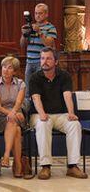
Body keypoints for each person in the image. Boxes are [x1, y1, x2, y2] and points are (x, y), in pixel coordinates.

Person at [29, 47, 87, 180]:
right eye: (42, 58)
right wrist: (42, 114)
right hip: (39, 114)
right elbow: (35, 98)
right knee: (44, 124)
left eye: (48, 58)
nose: (44, 61)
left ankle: (72, 166)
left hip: (60, 114)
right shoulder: (35, 77)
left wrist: (71, 113)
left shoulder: (64, 76)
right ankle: (45, 166)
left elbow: (67, 95)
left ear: (56, 61)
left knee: (75, 124)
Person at [0, 57, 26, 178]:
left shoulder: (21, 84)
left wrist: (13, 112)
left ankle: (6, 156)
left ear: (15, 71)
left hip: (17, 114)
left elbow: (19, 102)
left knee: (14, 123)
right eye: (4, 67)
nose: (5, 70)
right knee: (16, 129)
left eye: (9, 67)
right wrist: (11, 114)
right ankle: (17, 165)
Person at [20, 3, 57, 108]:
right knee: (28, 91)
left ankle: (42, 110)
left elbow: (49, 44)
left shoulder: (51, 27)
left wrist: (39, 32)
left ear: (46, 14)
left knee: (41, 88)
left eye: (40, 13)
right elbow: (22, 45)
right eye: (36, 13)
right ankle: (28, 113)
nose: (37, 16)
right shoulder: (30, 27)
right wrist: (24, 34)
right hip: (29, 62)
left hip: (42, 63)